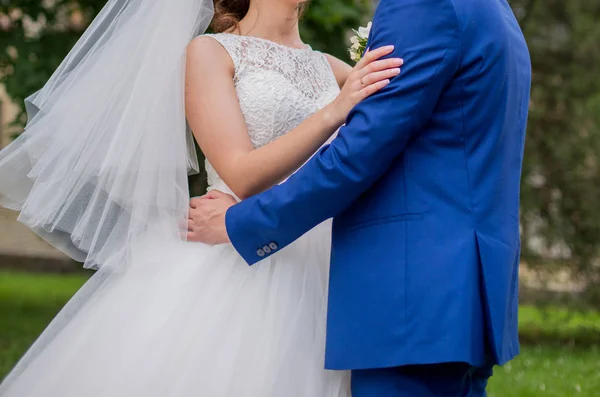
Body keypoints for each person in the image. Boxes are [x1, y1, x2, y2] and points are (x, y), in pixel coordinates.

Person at [0, 0, 402, 395]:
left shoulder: (333, 68)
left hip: (330, 256)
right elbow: (242, 173)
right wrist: (334, 111)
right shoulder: (210, 52)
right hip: (240, 258)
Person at [187, 0, 532, 396]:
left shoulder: (356, 53)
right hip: (313, 277)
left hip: (387, 288)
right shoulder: (494, 10)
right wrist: (335, 111)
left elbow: (362, 149)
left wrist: (241, 223)